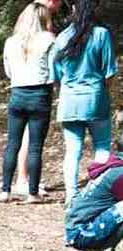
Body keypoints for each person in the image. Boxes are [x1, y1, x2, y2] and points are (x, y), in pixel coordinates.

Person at [50, 0, 118, 206]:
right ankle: (98, 192)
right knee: (102, 146)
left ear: (73, 10)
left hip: (69, 101)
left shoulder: (62, 38)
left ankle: (71, 196)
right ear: (93, 10)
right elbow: (109, 72)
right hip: (96, 99)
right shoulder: (101, 35)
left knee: (72, 151)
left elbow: (57, 75)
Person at [0, 2, 56, 204]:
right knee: (35, 147)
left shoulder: (11, 41)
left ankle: (5, 190)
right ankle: (32, 192)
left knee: (12, 144)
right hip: (40, 94)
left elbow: (8, 71)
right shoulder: (49, 39)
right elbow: (53, 70)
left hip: (17, 94)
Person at [13, 0, 63, 196]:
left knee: (23, 136)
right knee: (31, 138)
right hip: (37, 89)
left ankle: (22, 180)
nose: (60, 6)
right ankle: (24, 180)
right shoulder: (42, 24)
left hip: (21, 87)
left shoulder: (26, 19)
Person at [64, 154, 123, 251]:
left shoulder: (115, 167)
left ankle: (95, 249)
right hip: (82, 233)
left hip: (81, 231)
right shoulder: (120, 174)